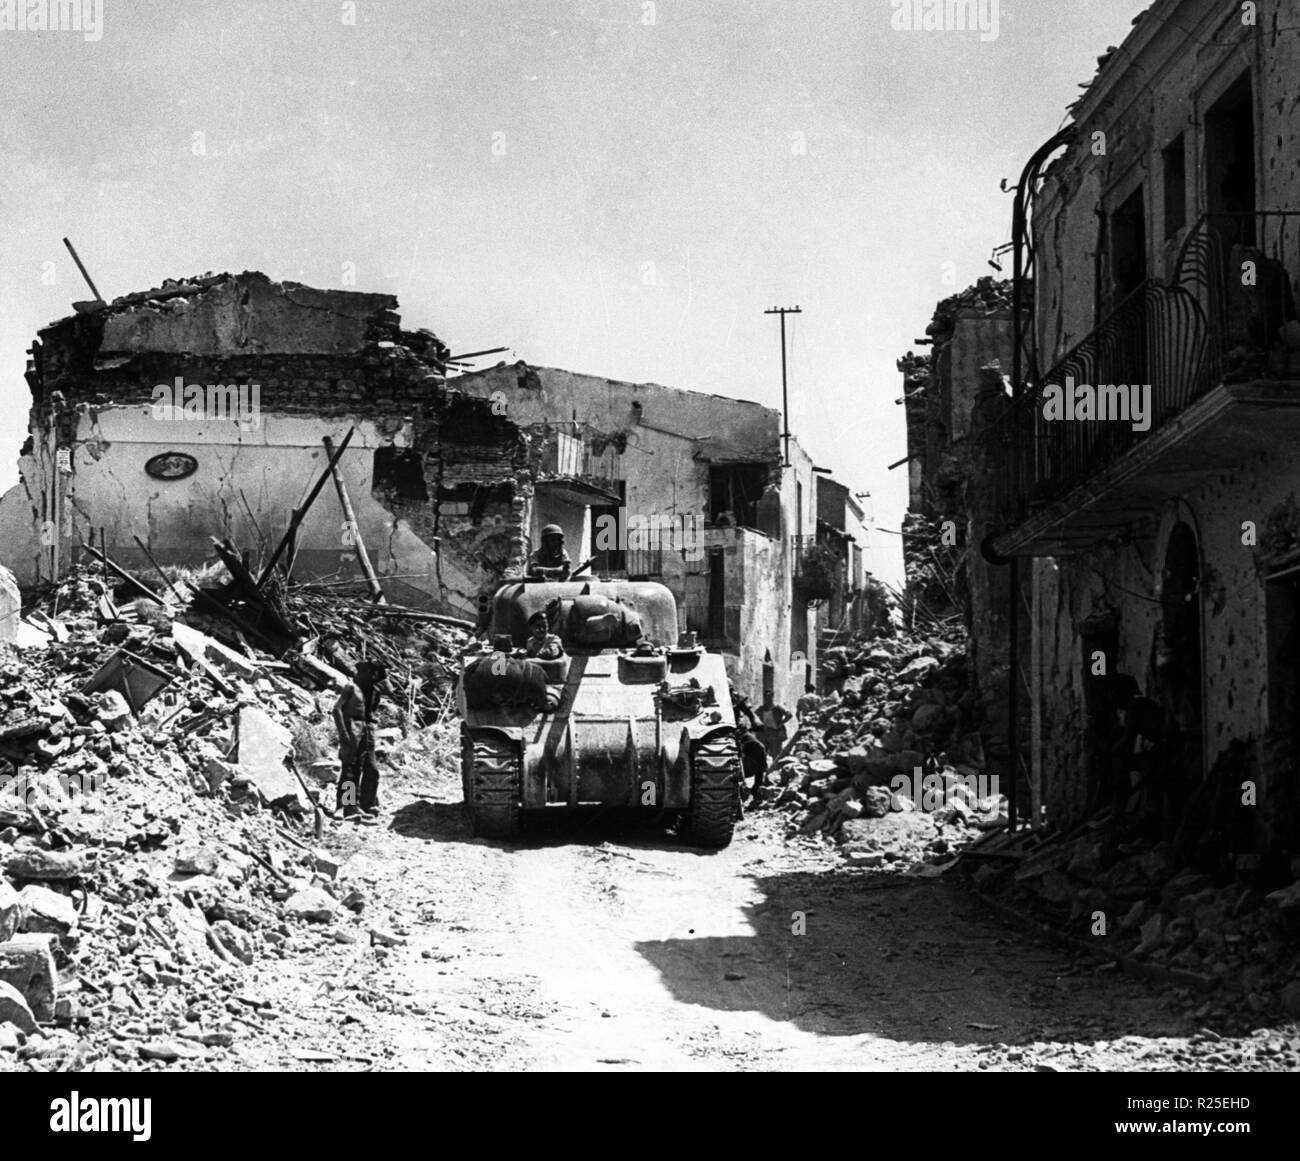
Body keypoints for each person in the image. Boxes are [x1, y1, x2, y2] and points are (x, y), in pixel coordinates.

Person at [334, 659, 387, 821]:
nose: (373, 678)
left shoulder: (369, 691)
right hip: (351, 730)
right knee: (349, 770)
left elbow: (370, 713)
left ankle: (356, 806)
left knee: (358, 769)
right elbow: (336, 710)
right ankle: (344, 806)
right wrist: (343, 734)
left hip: (363, 732)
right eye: (370, 674)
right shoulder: (350, 687)